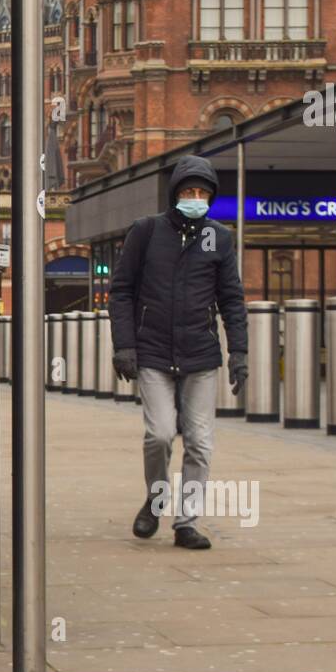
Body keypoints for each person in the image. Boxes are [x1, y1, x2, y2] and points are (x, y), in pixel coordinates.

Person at [108, 155, 248, 550]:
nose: (195, 198)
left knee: (200, 443)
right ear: (175, 194)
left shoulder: (218, 237)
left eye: (202, 192)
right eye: (189, 191)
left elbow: (232, 299)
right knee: (160, 435)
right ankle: (155, 500)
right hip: (152, 352)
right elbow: (121, 291)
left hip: (201, 355)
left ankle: (186, 522)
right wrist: (124, 346)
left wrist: (239, 352)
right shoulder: (147, 232)